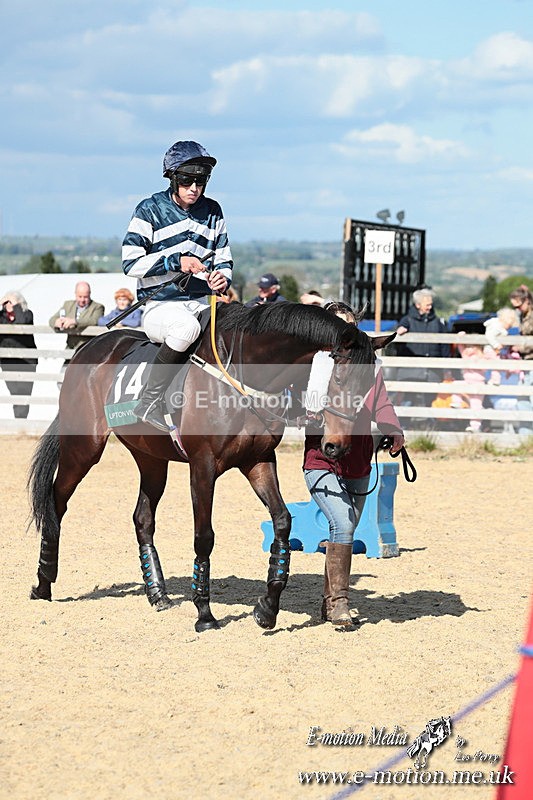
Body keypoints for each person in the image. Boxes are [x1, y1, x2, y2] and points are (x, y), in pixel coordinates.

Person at [302, 301, 405, 628]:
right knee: (343, 524)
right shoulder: (311, 369)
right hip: (320, 461)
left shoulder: (368, 371)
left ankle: (329, 601)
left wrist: (393, 429)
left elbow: (382, 405)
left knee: (342, 530)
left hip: (359, 461)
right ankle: (341, 603)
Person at [122, 140, 232, 430]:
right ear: (172, 178)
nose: (194, 187)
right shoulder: (149, 209)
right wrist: (176, 261)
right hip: (159, 306)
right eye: (187, 180)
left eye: (201, 180)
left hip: (201, 303)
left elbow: (223, 259)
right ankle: (149, 402)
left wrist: (222, 277)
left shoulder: (213, 211)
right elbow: (130, 264)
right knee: (186, 328)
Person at [394, 287, 450, 414]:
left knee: (431, 400)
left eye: (431, 304)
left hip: (432, 370)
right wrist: (400, 330)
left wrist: (446, 368)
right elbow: (399, 331)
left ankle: (430, 426)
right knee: (408, 399)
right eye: (427, 304)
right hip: (411, 370)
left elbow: (445, 344)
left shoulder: (437, 322)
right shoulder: (407, 320)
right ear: (418, 305)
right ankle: (404, 425)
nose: (430, 307)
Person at [0, 290, 37, 419]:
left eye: (12, 302)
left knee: (24, 393)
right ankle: (19, 421)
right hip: (7, 362)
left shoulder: (27, 314)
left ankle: (21, 421)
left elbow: (21, 323)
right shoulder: (2, 317)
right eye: (7, 302)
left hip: (26, 361)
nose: (9, 305)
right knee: (15, 393)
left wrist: (16, 306)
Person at [49, 281, 105, 351]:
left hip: (88, 348)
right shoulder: (67, 305)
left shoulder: (97, 307)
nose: (82, 300)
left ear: (90, 294)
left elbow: (94, 320)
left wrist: (75, 322)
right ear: (75, 294)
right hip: (70, 347)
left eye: (85, 297)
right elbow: (52, 319)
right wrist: (56, 322)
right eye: (80, 296)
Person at [509, 285, 533, 433]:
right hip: (526, 362)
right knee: (523, 398)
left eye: (519, 306)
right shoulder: (523, 316)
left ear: (526, 301)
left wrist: (520, 348)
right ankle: (526, 435)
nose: (517, 309)